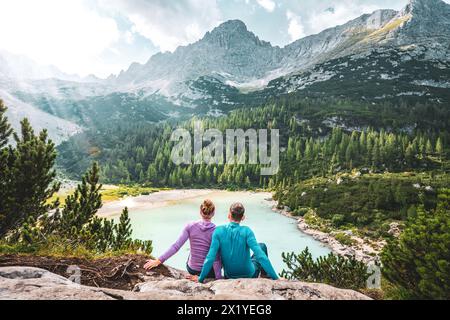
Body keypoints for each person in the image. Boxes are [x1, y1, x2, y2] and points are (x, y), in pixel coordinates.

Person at [192, 202, 279, 283]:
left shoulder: (218, 231)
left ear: (229, 215)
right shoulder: (247, 231)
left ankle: (264, 275)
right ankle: (265, 275)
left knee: (260, 247)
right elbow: (261, 257)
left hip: (229, 276)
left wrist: (200, 279)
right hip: (250, 275)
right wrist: (276, 279)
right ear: (243, 217)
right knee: (262, 246)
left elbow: (210, 258)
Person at [144, 199, 222, 280]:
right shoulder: (217, 230)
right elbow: (216, 258)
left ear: (200, 212)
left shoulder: (190, 226)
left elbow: (176, 246)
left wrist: (159, 260)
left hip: (192, 269)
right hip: (209, 272)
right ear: (213, 213)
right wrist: (218, 279)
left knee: (192, 252)